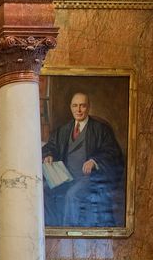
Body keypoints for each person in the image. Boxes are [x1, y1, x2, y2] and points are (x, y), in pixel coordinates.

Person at [42, 92, 124, 227]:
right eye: (75, 106)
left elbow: (112, 153)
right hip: (66, 177)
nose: (78, 110)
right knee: (45, 190)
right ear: (70, 107)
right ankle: (53, 230)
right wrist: (49, 154)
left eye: (82, 106)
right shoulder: (64, 130)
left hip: (89, 178)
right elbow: (51, 146)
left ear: (88, 107)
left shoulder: (100, 129)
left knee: (73, 195)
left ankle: (68, 234)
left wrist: (95, 161)